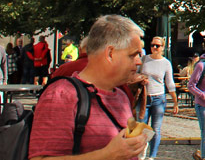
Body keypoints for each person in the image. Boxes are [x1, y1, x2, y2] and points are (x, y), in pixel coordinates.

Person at [29, 15, 149, 160]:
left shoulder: (121, 96)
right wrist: (108, 155)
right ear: (110, 54)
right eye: (133, 55)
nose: (138, 62)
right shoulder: (62, 94)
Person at [140, 36, 179, 160]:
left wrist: (175, 102)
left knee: (156, 128)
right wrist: (140, 79)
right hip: (144, 98)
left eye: (157, 46)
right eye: (152, 45)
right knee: (142, 127)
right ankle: (142, 148)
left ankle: (152, 156)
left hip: (159, 98)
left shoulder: (165, 63)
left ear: (163, 47)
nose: (154, 48)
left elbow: (170, 83)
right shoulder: (144, 59)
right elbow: (134, 74)